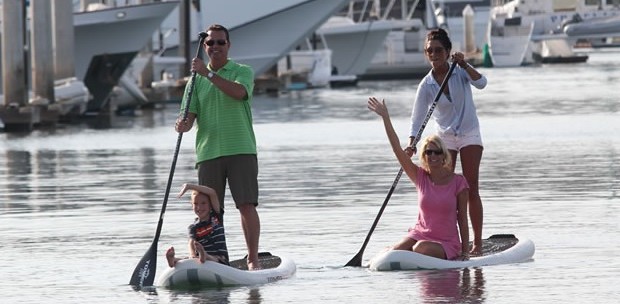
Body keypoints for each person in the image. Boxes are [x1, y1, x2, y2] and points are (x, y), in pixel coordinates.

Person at [175, 24, 261, 270]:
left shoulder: (242, 71)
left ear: (228, 45)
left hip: (241, 148)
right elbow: (188, 119)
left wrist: (208, 74)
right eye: (210, 43)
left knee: (246, 204)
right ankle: (216, 259)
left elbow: (238, 93)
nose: (215, 47)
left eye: (220, 43)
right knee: (210, 213)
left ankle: (252, 258)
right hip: (208, 152)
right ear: (205, 47)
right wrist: (182, 124)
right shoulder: (194, 83)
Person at [407, 28, 487, 255]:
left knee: (471, 186)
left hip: (469, 132)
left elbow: (482, 83)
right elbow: (417, 118)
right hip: (445, 137)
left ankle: (477, 244)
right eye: (429, 51)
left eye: (439, 50)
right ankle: (446, 240)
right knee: (445, 189)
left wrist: (465, 65)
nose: (434, 54)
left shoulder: (459, 71)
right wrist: (412, 143)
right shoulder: (426, 85)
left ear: (448, 51)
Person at [367, 97, 470, 261]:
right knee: (392, 252)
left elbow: (463, 219)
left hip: (446, 242)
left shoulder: (458, 182)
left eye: (437, 152)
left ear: (444, 155)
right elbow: (397, 150)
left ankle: (411, 254)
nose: (433, 156)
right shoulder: (420, 176)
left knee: (420, 248)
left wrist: (465, 253)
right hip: (419, 234)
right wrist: (386, 117)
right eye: (429, 152)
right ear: (424, 156)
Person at [166, 183, 229, 267]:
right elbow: (191, 242)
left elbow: (212, 193)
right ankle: (173, 260)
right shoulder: (193, 227)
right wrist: (192, 254)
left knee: (216, 258)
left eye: (203, 203)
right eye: (196, 204)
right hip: (199, 256)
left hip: (219, 258)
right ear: (192, 205)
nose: (199, 207)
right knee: (189, 258)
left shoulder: (216, 216)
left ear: (210, 205)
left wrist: (190, 186)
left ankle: (205, 256)